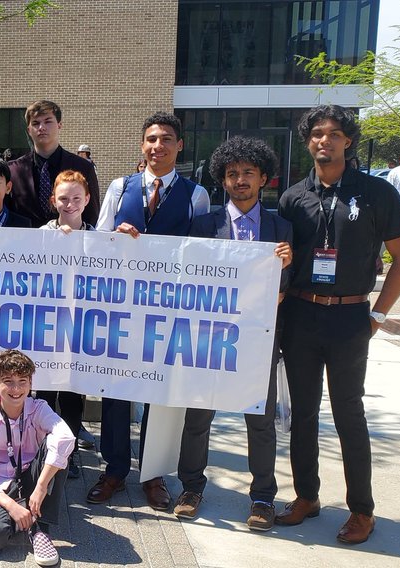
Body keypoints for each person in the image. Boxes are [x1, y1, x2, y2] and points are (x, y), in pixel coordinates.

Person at [276, 105, 400, 544]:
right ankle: (306, 496)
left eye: (334, 134)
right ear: (308, 140)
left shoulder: (376, 193)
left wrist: (377, 314)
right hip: (300, 314)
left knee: (348, 413)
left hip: (351, 316)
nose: (325, 141)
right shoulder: (294, 196)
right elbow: (280, 262)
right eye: (317, 133)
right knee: (303, 412)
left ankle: (362, 510)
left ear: (348, 141)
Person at [91, 112, 211, 512]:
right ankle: (114, 469)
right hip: (121, 306)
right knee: (116, 391)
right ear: (141, 145)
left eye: (166, 139)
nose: (158, 146)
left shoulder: (196, 195)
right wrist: (114, 238)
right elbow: (97, 241)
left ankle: (154, 474)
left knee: (161, 393)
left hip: (169, 310)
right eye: (151, 139)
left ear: (179, 146)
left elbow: (202, 256)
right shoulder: (119, 186)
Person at [174, 136, 293, 532]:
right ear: (221, 180)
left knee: (259, 420)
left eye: (247, 173)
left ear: (263, 178)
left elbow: (293, 283)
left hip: (258, 338)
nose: (239, 180)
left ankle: (262, 497)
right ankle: (191, 488)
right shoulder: (204, 226)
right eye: (231, 174)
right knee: (198, 414)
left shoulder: (282, 228)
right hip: (211, 335)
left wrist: (285, 271)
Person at [0, 349, 74, 567]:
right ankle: (22, 509)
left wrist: (42, 486)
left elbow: (65, 437)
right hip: (1, 483)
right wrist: (10, 506)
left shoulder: (38, 408)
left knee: (59, 445)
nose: (16, 389)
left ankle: (40, 527)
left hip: (33, 475)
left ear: (31, 382)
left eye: (22, 381)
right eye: (8, 381)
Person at [36, 170, 95, 478]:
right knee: (45, 395)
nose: (69, 204)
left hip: (81, 330)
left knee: (72, 396)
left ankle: (68, 455)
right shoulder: (40, 235)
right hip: (48, 328)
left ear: (86, 200)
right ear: (53, 200)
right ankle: (45, 450)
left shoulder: (99, 238)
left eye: (76, 198)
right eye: (63, 198)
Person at [6, 100, 100, 227]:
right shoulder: (13, 170)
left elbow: (92, 215)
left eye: (48, 121)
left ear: (59, 125)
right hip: (24, 244)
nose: (41, 127)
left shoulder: (83, 167)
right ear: (29, 130)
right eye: (36, 123)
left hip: (69, 242)